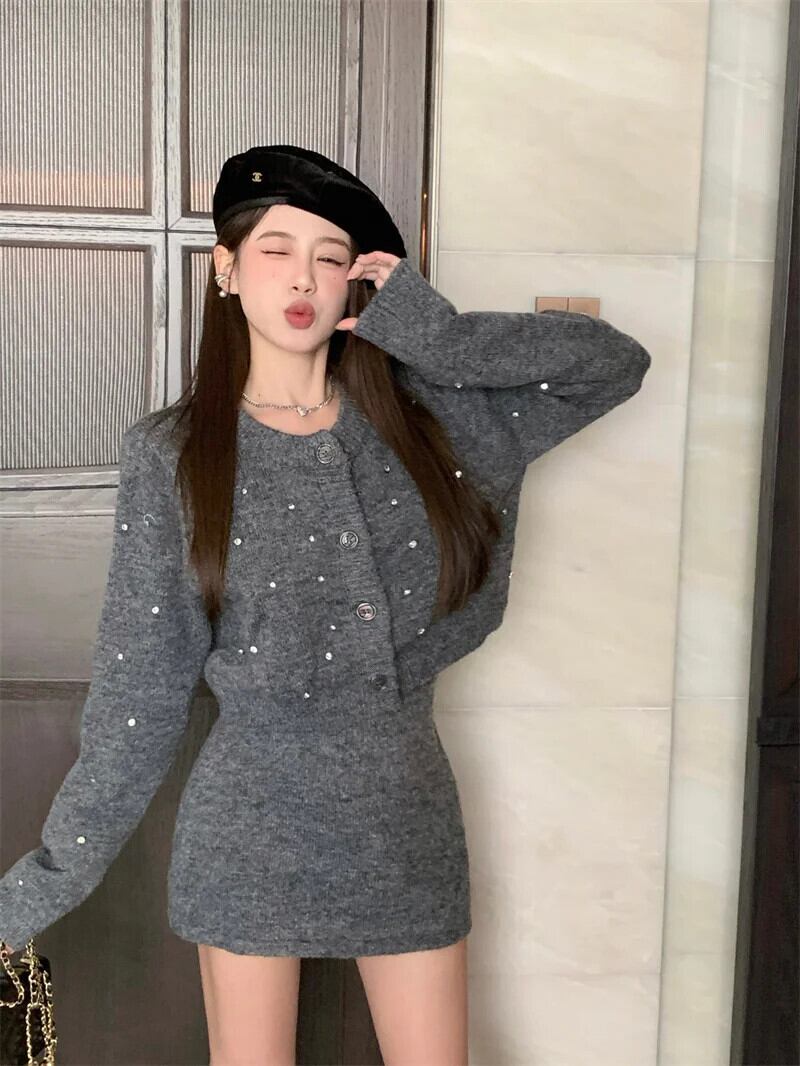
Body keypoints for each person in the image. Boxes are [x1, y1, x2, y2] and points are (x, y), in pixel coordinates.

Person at [0, 145, 652, 1063]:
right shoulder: (174, 454)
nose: (303, 277)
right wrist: (42, 884)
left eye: (331, 255)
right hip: (247, 823)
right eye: (276, 249)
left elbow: (612, 364)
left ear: (359, 280)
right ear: (227, 268)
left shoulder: (436, 422)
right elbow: (140, 691)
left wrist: (433, 333)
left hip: (403, 812)